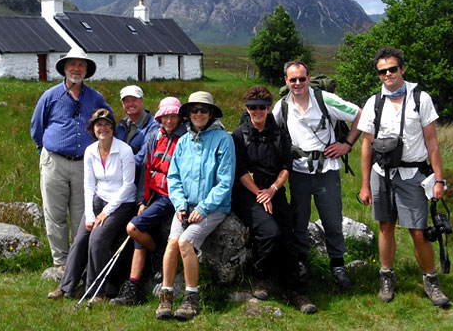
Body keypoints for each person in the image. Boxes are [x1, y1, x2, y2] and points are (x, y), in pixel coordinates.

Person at [357, 46, 450, 307]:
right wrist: (365, 184)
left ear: (403, 69)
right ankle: (386, 277)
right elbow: (366, 144)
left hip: (413, 174)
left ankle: (431, 281)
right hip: (381, 173)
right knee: (385, 227)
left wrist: (439, 180)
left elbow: (432, 143)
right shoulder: (374, 102)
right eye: (382, 71)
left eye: (392, 69)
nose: (388, 75)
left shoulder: (421, 99)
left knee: (418, 232)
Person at [272, 60, 362, 289]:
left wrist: (347, 144)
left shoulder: (324, 99)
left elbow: (360, 115)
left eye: (302, 78)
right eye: (293, 79)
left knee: (332, 219)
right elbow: (269, 127)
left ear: (309, 78)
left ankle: (338, 266)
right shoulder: (282, 106)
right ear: (286, 81)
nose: (298, 83)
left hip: (327, 170)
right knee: (299, 221)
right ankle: (302, 263)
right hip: (298, 171)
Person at [231, 85, 316, 314]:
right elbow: (239, 171)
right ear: (246, 109)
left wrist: (273, 189)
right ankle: (259, 276)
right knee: (270, 232)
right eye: (252, 107)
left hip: (274, 191)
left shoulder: (279, 134)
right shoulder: (239, 135)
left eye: (262, 107)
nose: (257, 111)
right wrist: (260, 193)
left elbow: (286, 166)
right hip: (248, 193)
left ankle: (297, 291)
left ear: (269, 108)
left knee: (288, 235)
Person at [155, 91, 235, 321]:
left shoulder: (223, 140)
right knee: (172, 244)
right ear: (188, 114)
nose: (198, 114)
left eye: (203, 110)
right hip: (185, 205)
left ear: (211, 114)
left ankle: (191, 297)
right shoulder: (183, 141)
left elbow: (225, 182)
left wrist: (203, 208)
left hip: (214, 208)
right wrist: (180, 205)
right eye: (194, 110)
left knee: (185, 242)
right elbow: (174, 177)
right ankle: (166, 294)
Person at [31, 47, 112, 275]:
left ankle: (80, 261)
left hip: (84, 164)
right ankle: (61, 262)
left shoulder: (95, 98)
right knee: (55, 214)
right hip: (54, 161)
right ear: (65, 69)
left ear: (86, 70)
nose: (76, 69)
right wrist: (43, 151)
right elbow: (37, 127)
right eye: (72, 65)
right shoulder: (50, 96)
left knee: (82, 214)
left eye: (81, 65)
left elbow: (108, 124)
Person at [47, 109, 137, 300]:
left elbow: (128, 186)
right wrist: (89, 214)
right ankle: (66, 287)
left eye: (107, 125)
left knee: (97, 240)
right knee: (80, 240)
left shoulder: (124, 150)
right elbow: (89, 185)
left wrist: (106, 212)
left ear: (113, 128)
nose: (103, 128)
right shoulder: (90, 151)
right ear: (93, 129)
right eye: (99, 125)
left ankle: (96, 290)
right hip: (100, 198)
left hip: (121, 202)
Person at [110, 97, 186, 306]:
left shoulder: (185, 138)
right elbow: (146, 169)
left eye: (173, 116)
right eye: (165, 116)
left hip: (170, 197)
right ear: (160, 117)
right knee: (139, 236)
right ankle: (133, 286)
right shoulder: (155, 135)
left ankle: (157, 254)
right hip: (153, 195)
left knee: (134, 228)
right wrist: (141, 200)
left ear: (179, 117)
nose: (169, 121)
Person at [116, 85, 160, 180]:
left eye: (134, 100)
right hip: (121, 178)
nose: (130, 104)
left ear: (142, 100)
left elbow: (142, 157)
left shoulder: (153, 126)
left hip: (141, 181)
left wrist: (117, 167)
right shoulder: (120, 125)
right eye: (126, 101)